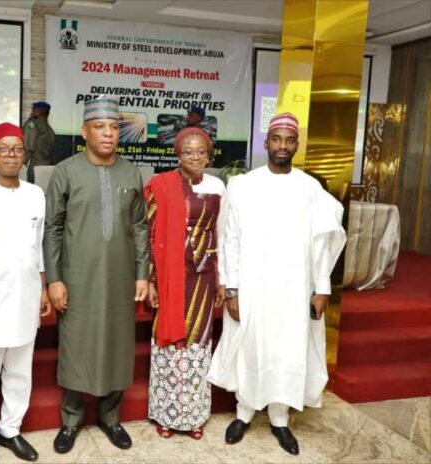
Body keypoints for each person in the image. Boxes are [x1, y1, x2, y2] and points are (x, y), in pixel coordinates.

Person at [208, 113, 346, 455]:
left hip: (294, 288)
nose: (282, 146)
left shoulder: (309, 188)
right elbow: (229, 239)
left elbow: (323, 242)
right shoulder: (244, 185)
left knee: (287, 349)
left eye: (289, 140)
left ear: (296, 145)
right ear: (266, 142)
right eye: (276, 139)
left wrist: (322, 287)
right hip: (252, 286)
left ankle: (280, 420)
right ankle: (243, 414)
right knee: (250, 346)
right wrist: (232, 288)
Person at [44, 95, 149, 454]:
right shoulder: (65, 171)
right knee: (76, 346)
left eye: (115, 127)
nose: (108, 134)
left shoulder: (131, 171)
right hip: (77, 278)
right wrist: (54, 279)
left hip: (120, 279)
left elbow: (139, 227)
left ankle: (111, 418)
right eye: (100, 127)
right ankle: (71, 420)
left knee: (118, 346)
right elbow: (53, 228)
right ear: (85, 131)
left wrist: (142, 274)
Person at [0, 122, 51, 464]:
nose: (11, 156)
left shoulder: (35, 194)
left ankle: (10, 431)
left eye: (17, 149)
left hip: (27, 294)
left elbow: (39, 244)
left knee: (20, 371)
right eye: (3, 149)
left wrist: (43, 285)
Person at [145, 127, 226, 440]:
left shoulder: (218, 187)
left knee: (197, 342)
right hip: (168, 276)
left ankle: (193, 416)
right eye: (188, 151)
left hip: (203, 276)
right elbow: (150, 235)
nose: (195, 156)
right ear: (177, 154)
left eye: (201, 151)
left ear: (209, 154)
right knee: (168, 344)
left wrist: (223, 280)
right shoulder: (161, 186)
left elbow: (223, 232)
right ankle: (165, 412)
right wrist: (151, 279)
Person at [22, 101, 56, 183]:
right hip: (46, 169)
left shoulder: (32, 123)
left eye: (34, 110)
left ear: (40, 112)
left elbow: (28, 146)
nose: (32, 112)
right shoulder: (50, 130)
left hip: (33, 168)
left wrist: (20, 165)